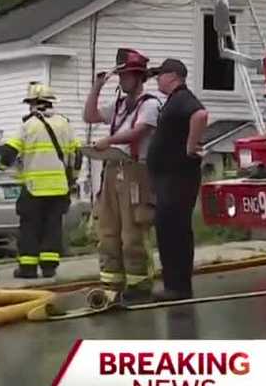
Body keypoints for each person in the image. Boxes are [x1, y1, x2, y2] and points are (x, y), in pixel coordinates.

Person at [82, 49, 163, 305]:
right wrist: (97, 86)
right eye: (120, 76)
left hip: (135, 172)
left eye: (126, 76)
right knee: (108, 230)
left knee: (133, 233)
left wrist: (109, 140)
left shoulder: (150, 104)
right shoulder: (118, 106)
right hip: (112, 170)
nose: (122, 81)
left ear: (138, 78)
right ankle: (112, 285)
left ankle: (139, 286)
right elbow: (90, 116)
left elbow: (138, 132)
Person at [0, 82, 80, 280]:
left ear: (33, 104)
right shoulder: (65, 124)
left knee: (29, 228)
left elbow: (8, 154)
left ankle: (28, 268)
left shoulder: (28, 125)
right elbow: (77, 155)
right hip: (59, 188)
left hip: (34, 188)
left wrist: (0, 168)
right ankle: (49, 267)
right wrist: (72, 179)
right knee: (53, 227)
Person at [145, 58, 209, 301]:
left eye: (160, 75)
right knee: (167, 229)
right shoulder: (173, 101)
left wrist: (190, 147)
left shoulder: (183, 97)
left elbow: (201, 115)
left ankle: (178, 286)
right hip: (168, 177)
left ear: (172, 76)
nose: (157, 79)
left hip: (178, 177)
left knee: (175, 230)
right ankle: (174, 284)